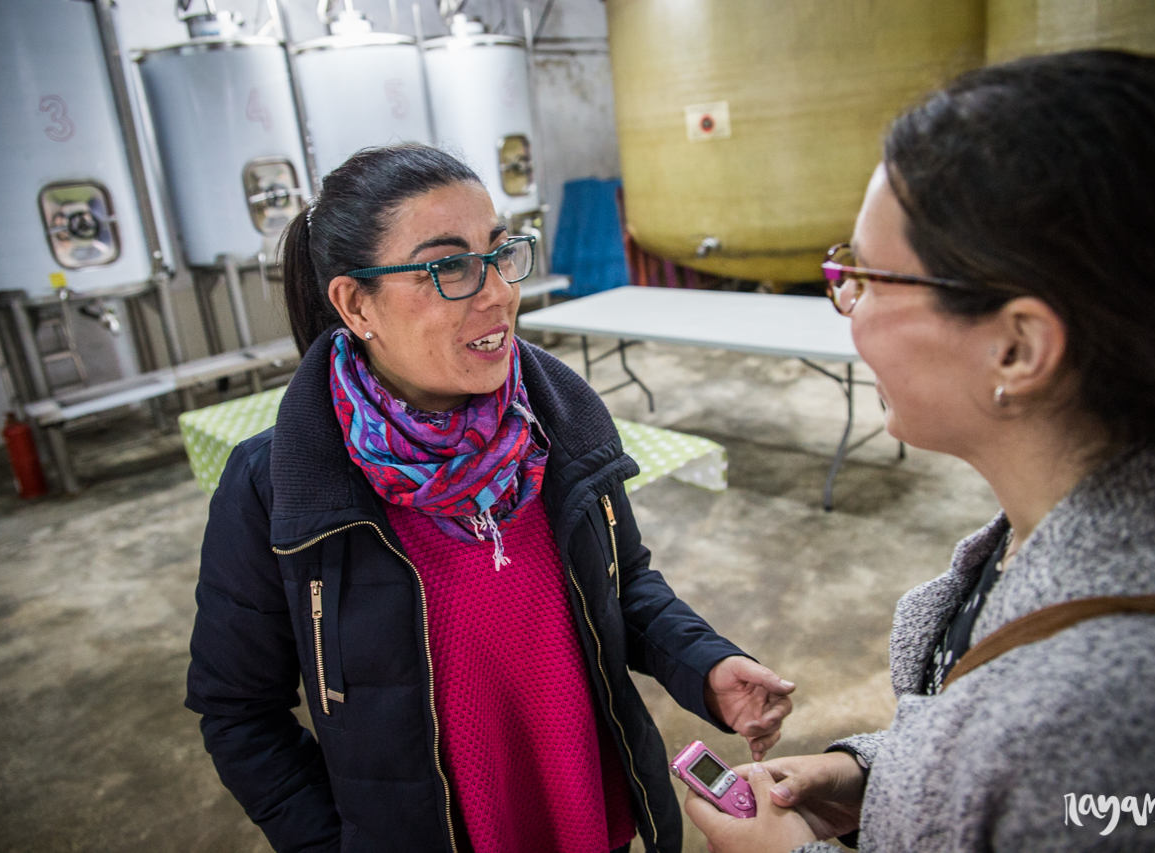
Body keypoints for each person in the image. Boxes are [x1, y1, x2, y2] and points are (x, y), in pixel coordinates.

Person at [685, 50, 1155, 852]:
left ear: (1017, 347)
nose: (847, 305)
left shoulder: (1126, 706)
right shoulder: (1063, 529)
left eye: (865, 275)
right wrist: (869, 776)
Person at [185, 144, 795, 853]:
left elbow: (625, 585)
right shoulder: (280, 483)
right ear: (356, 303)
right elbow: (238, 712)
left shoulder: (559, 421)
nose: (499, 291)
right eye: (448, 266)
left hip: (591, 821)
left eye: (501, 253)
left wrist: (705, 665)